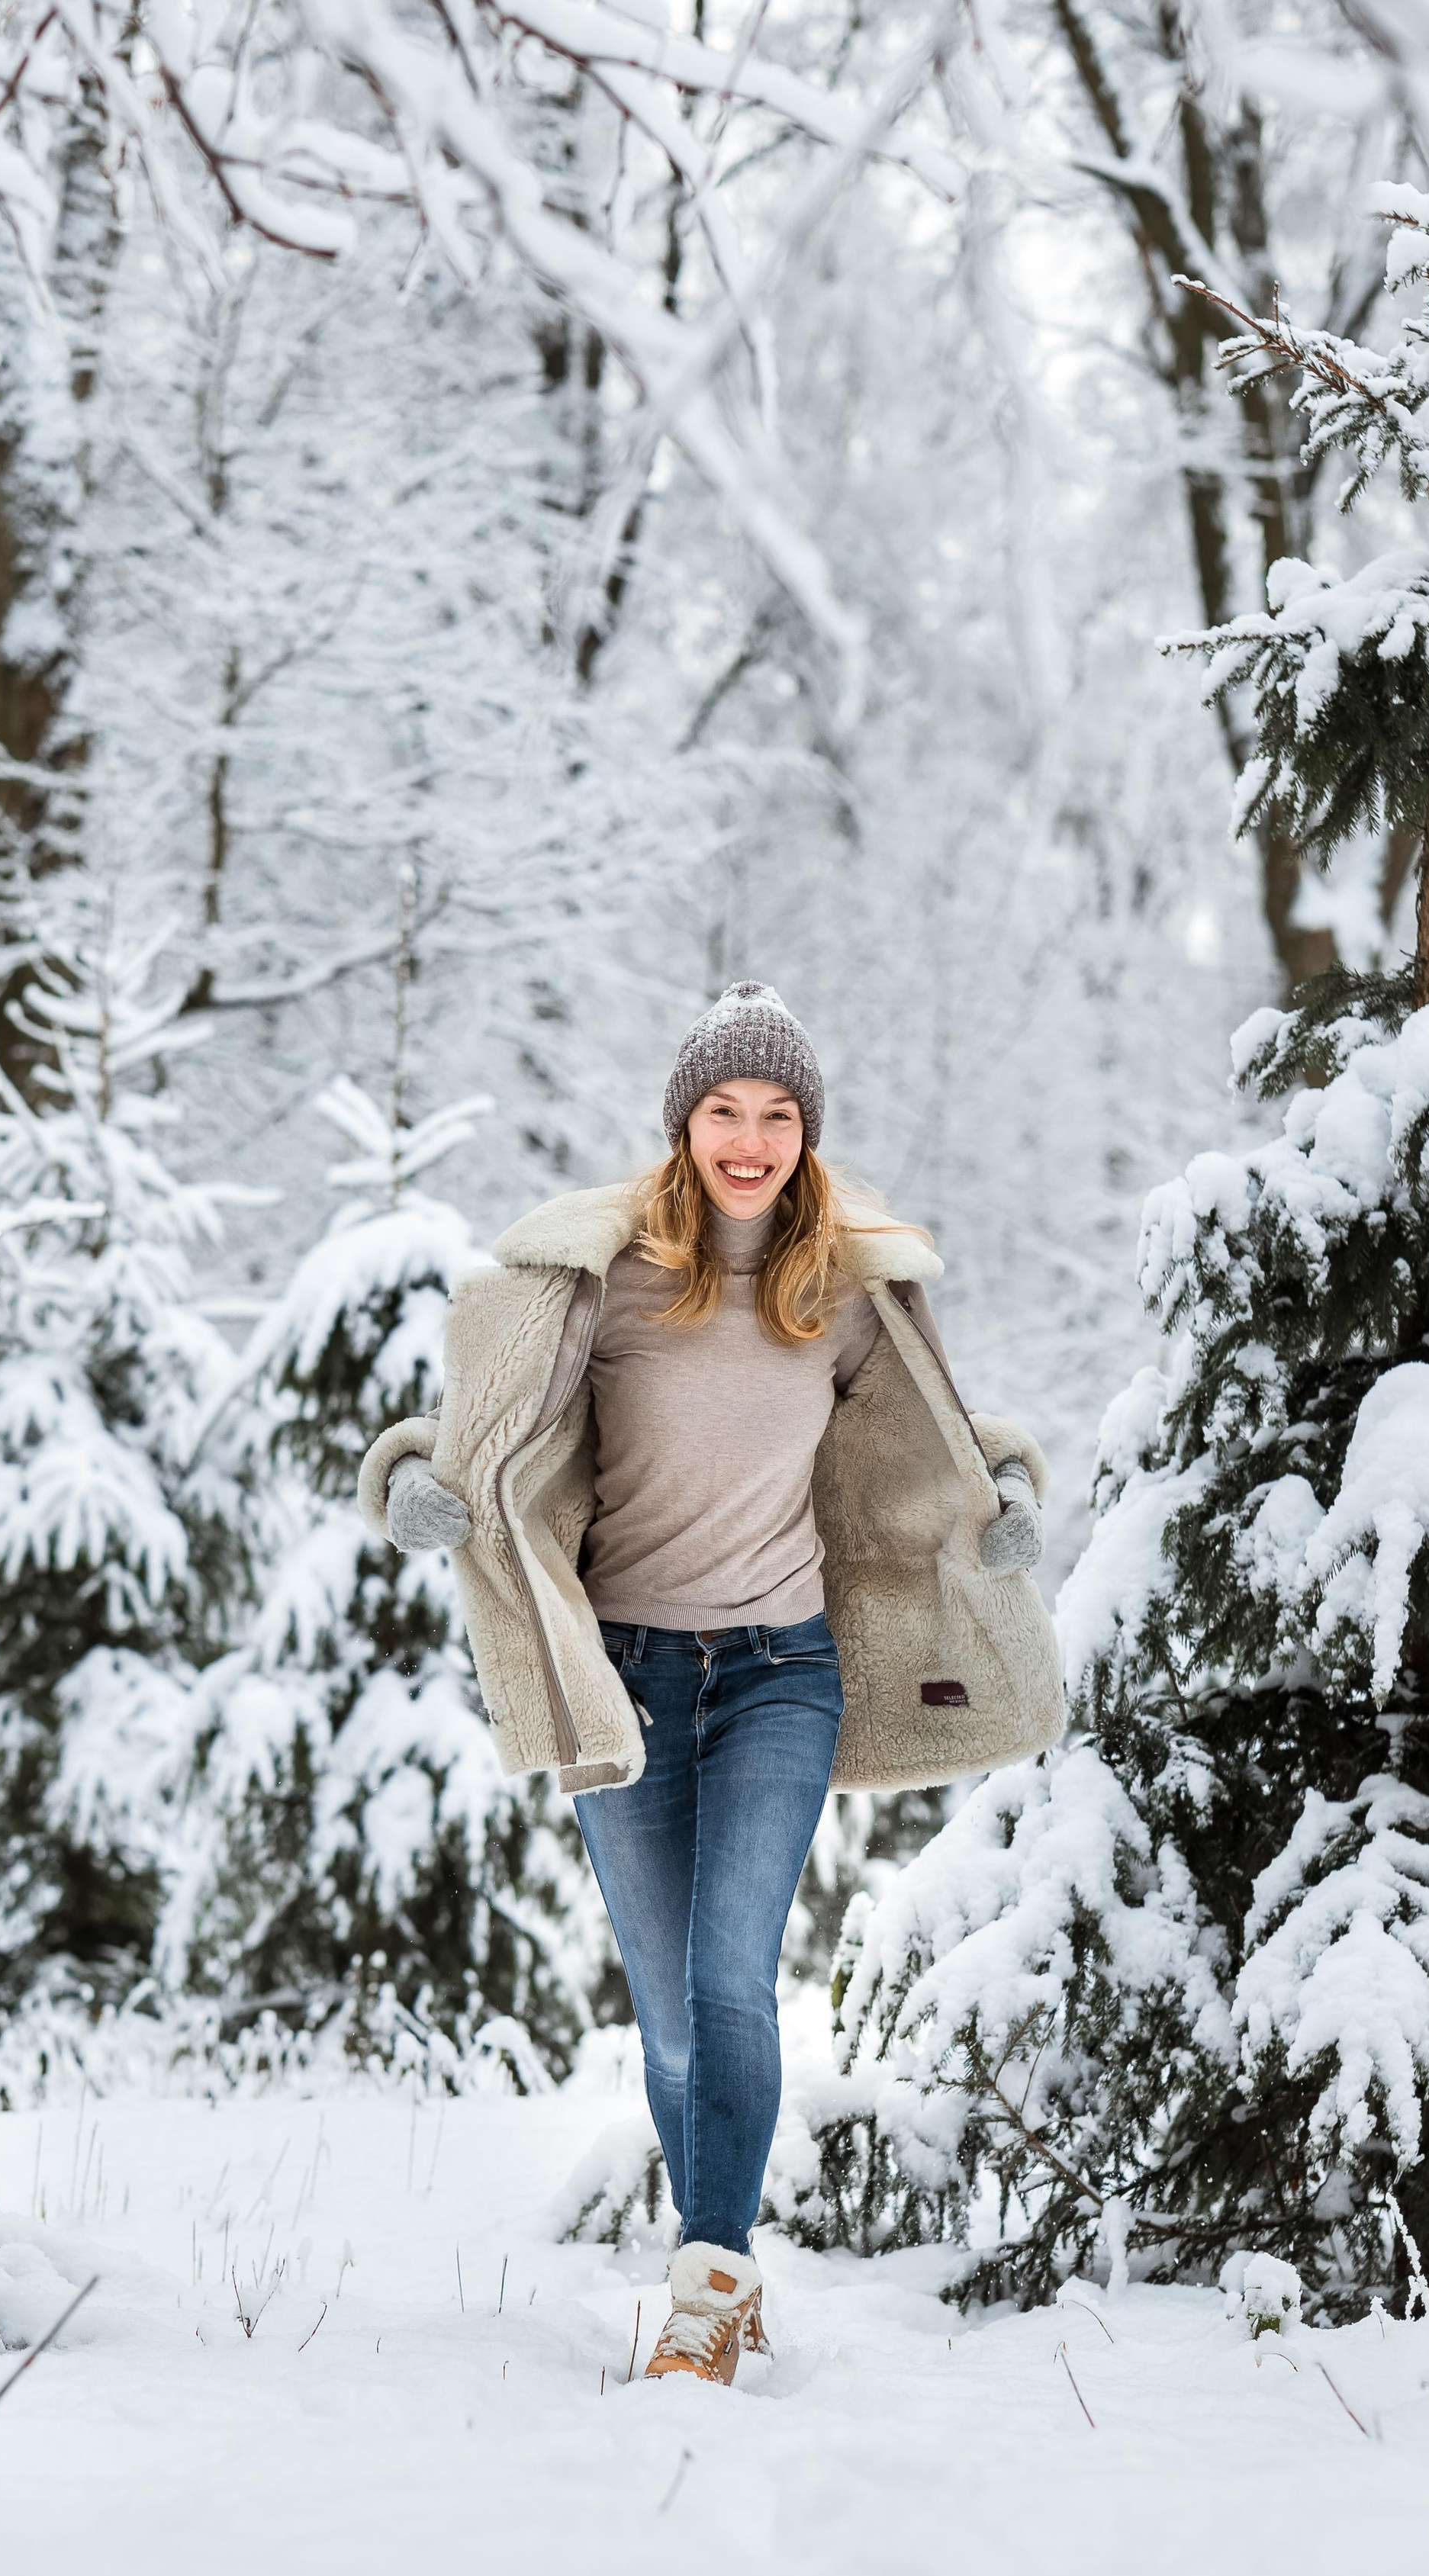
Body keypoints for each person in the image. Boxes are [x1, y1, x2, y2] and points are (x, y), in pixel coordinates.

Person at [359, 982, 1062, 2385]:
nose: (751, 1140)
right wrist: (402, 1481)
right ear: (683, 1126)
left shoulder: (840, 1293)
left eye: (779, 1116)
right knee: (670, 2007)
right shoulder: (600, 1283)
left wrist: (1013, 1483)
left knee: (734, 1978)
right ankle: (713, 2260)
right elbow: (480, 1435)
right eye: (726, 1113)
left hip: (782, 1670)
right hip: (619, 1674)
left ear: (808, 1135)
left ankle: (711, 2281)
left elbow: (935, 1424)